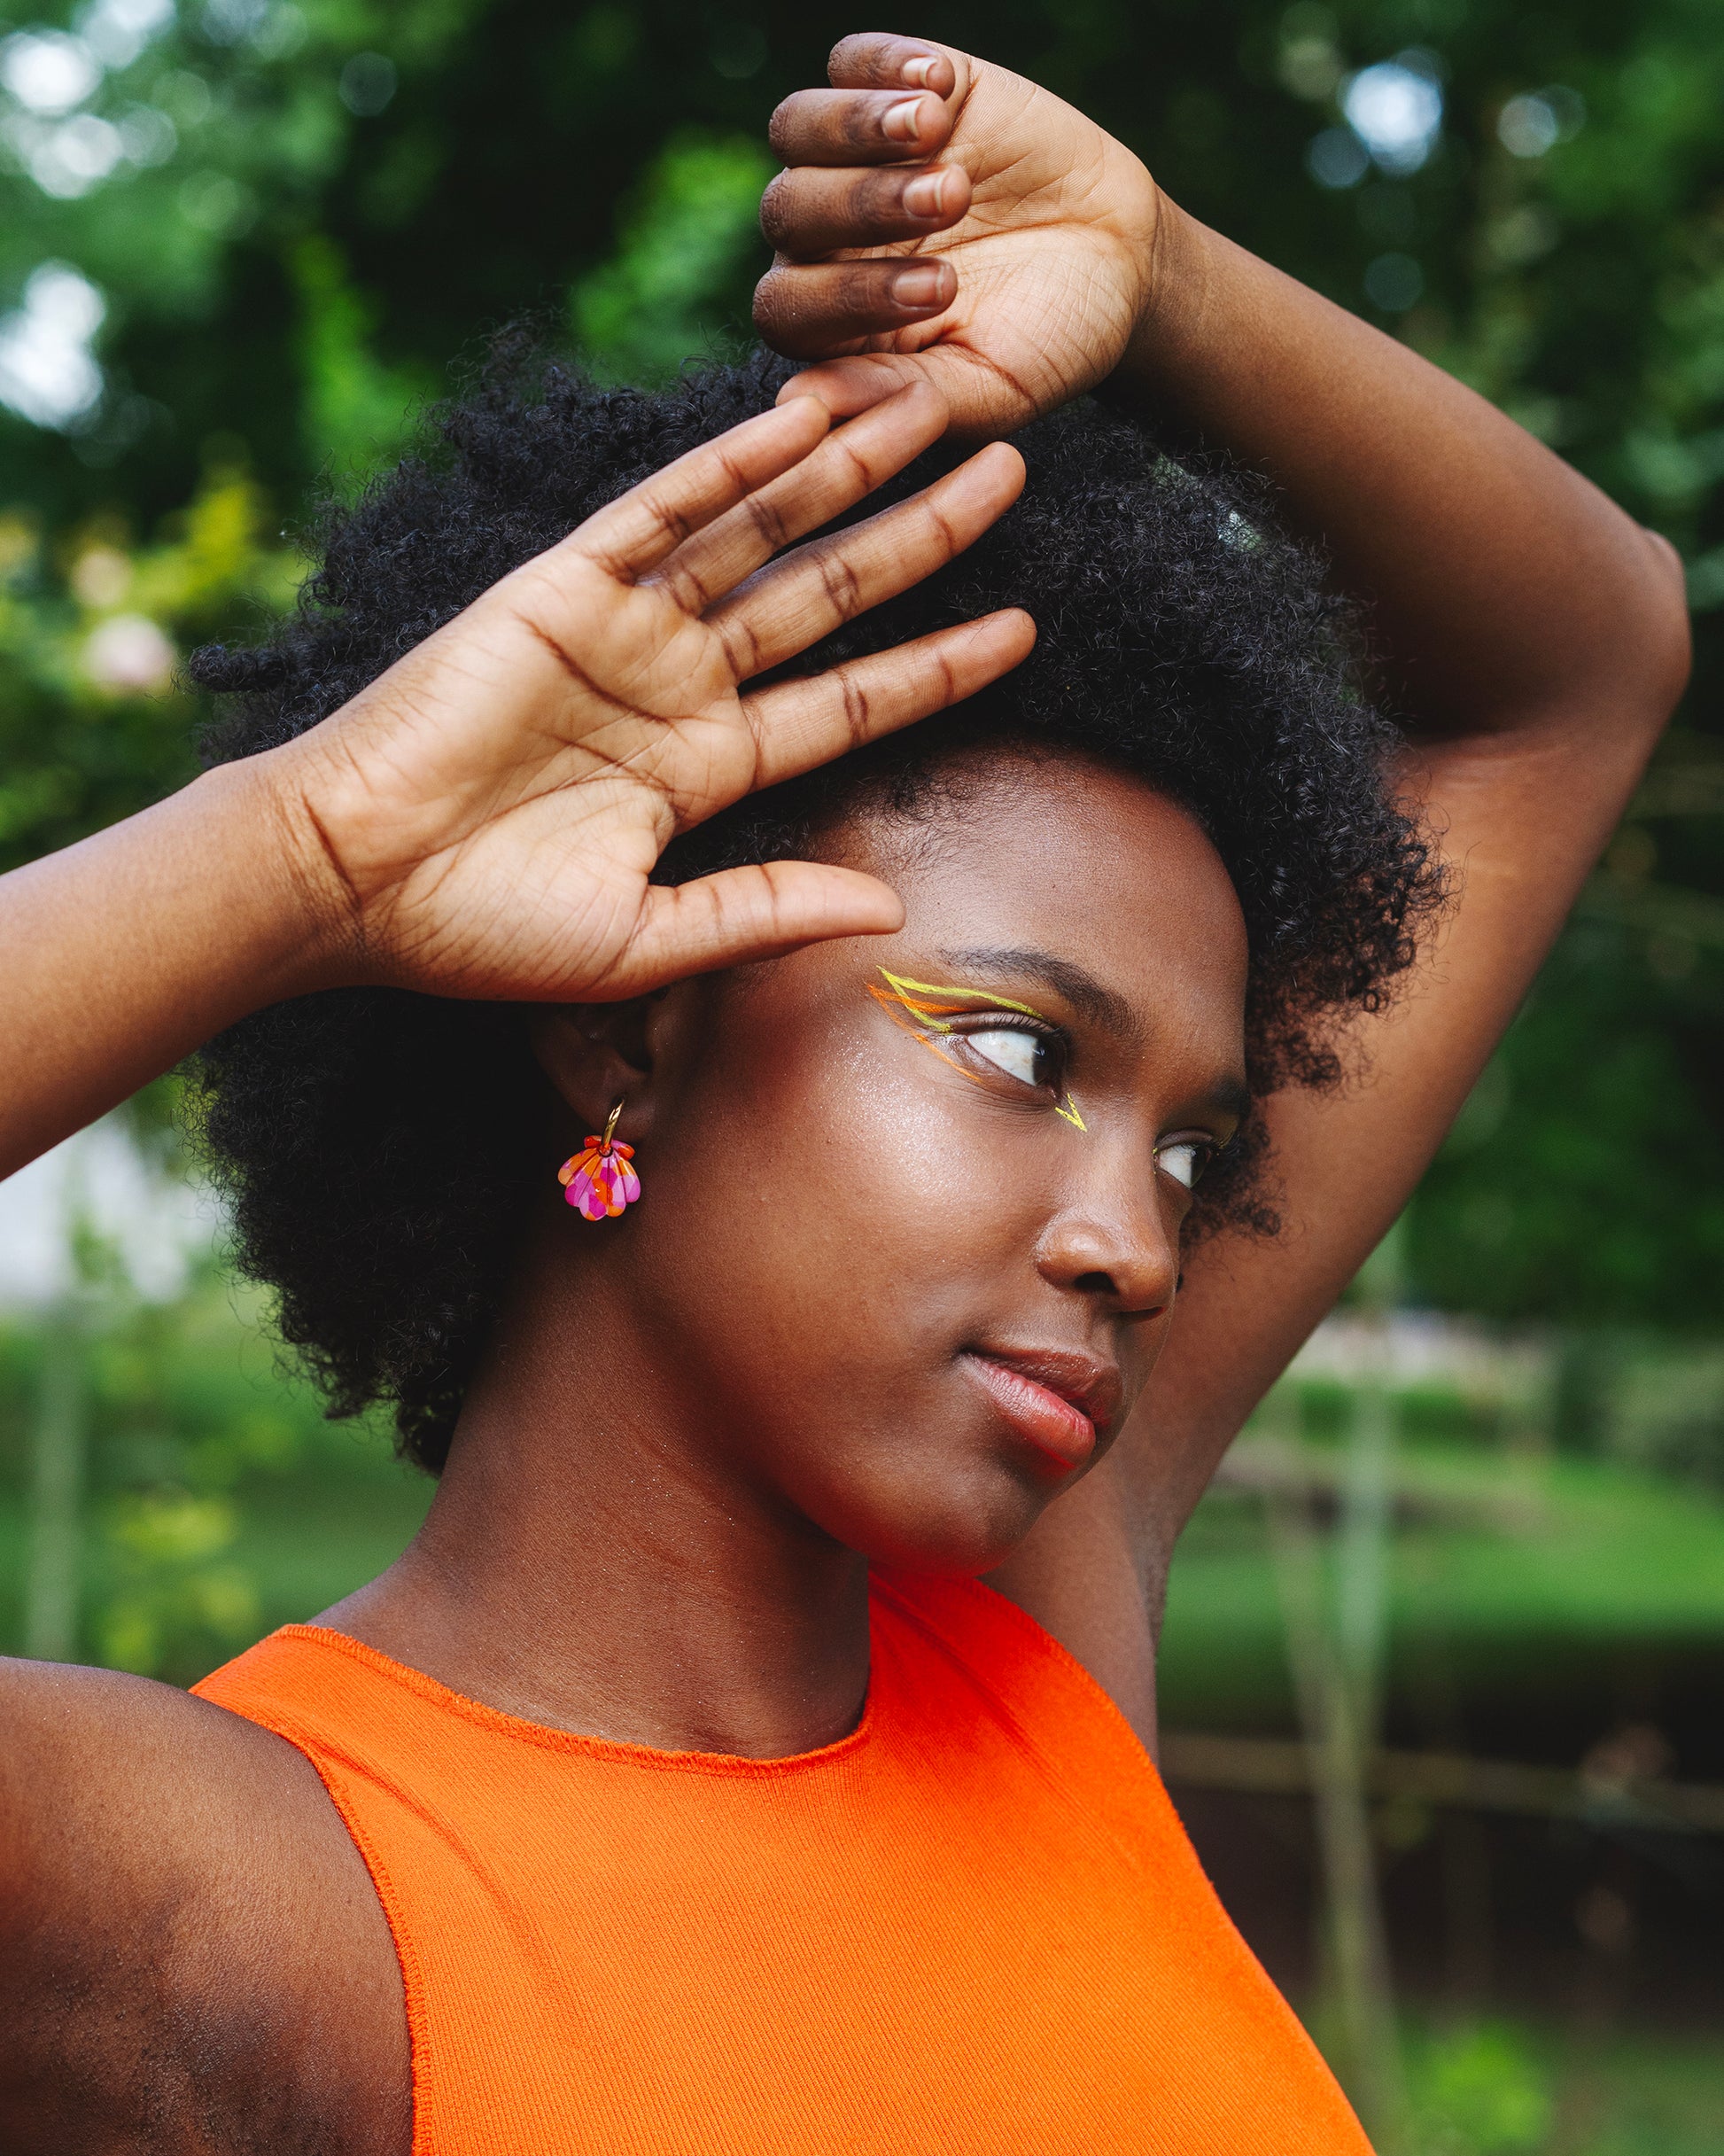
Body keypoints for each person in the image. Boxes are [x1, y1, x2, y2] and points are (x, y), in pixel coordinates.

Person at [0, 32, 1685, 2156]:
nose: (1139, 1240)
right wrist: (310, 855)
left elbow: (1584, 661)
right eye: (1013, 1049)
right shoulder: (250, 1898)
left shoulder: (1033, 1640)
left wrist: (1153, 275)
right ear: (629, 1030)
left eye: (1192, 1145)